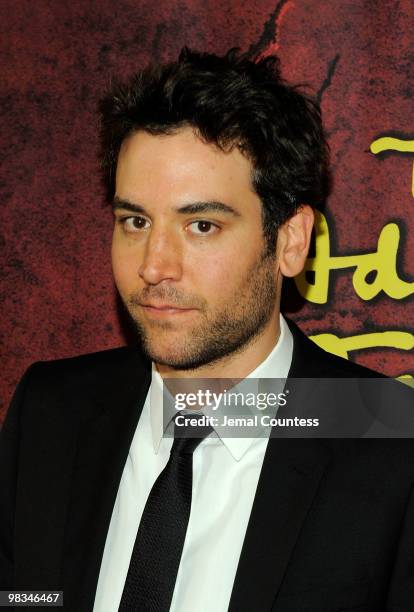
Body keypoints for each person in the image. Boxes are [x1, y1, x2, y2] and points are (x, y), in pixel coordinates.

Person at [1, 47, 413, 612]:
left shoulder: (392, 443)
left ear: (290, 241)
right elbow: (26, 597)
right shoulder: (52, 411)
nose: (154, 265)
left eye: (201, 225)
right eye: (135, 221)